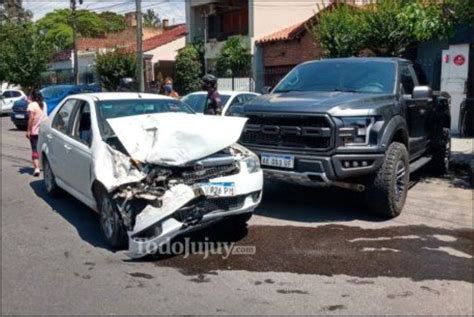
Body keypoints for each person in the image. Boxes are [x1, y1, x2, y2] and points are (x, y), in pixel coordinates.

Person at [26, 89, 46, 177]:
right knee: (43, 149)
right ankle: (44, 166)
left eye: (30, 95)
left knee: (35, 149)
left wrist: (28, 130)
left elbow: (31, 119)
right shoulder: (44, 104)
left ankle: (37, 168)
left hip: (35, 131)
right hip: (44, 130)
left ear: (32, 96)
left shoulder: (31, 105)